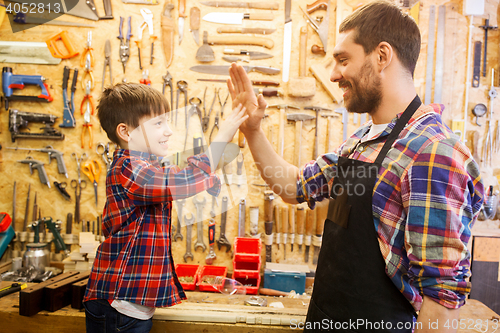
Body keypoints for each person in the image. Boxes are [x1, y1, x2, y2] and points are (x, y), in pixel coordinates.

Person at [228, 1, 484, 332]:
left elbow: (441, 303)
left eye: (343, 60)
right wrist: (252, 130)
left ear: (381, 56)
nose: (333, 74)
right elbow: (294, 187)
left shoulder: (432, 153)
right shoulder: (363, 142)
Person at [83, 83, 248, 333]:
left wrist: (208, 177)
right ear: (126, 132)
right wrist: (223, 134)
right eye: (158, 123)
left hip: (128, 306)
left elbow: (181, 174)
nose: (169, 131)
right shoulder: (128, 169)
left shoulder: (147, 168)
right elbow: (183, 180)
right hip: (116, 306)